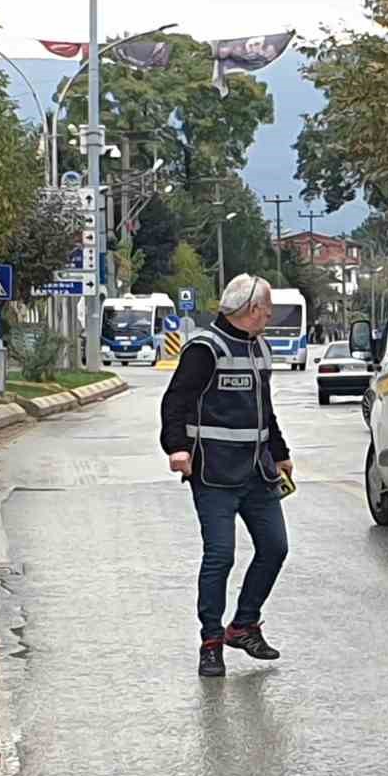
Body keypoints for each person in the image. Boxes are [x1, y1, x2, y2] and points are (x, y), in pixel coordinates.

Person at [160, 274, 293, 678]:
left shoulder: (260, 348)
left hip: (257, 473)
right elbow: (176, 400)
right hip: (214, 472)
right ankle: (211, 642)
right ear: (252, 310)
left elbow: (264, 410)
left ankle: (244, 625)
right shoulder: (205, 348)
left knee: (275, 547)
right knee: (220, 556)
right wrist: (176, 447)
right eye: (267, 309)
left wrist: (281, 453)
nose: (270, 316)